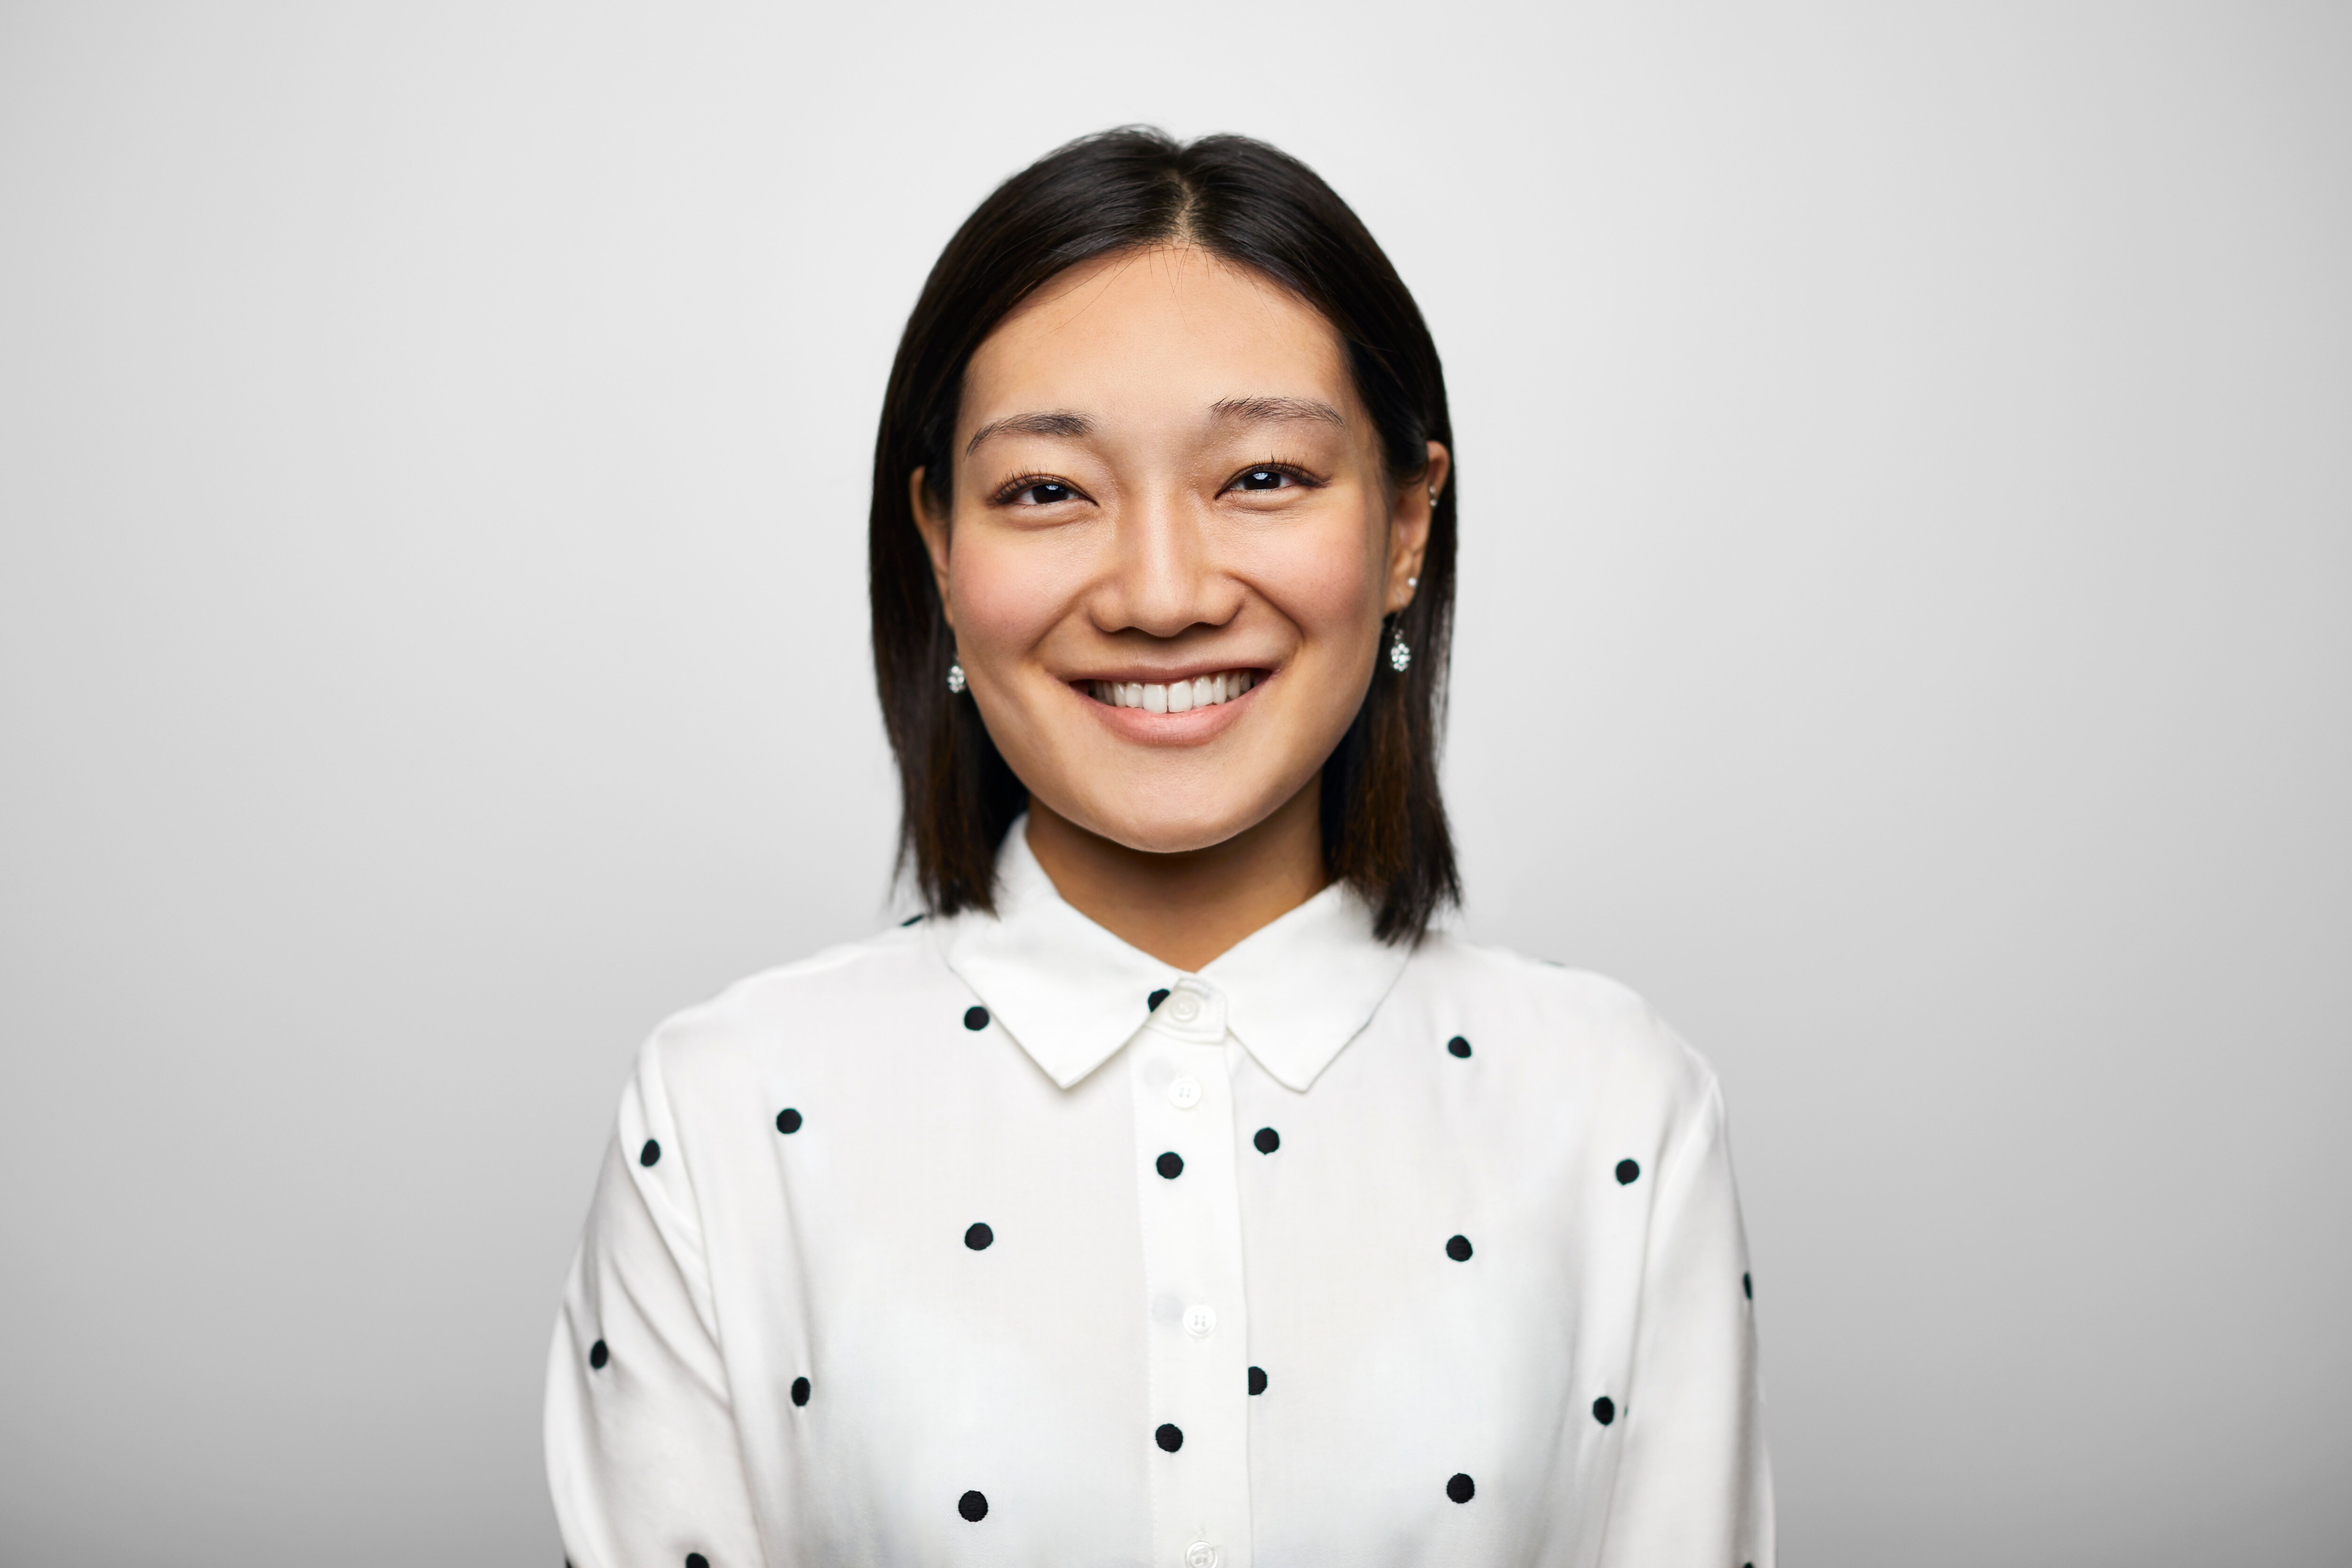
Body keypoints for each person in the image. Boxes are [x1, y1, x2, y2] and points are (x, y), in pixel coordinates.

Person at [545, 127, 1772, 1568]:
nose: (1163, 593)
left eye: (1260, 476)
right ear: (938, 547)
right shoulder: (723, 1117)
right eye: (1049, 491)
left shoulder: (1619, 1107)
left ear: (1404, 526)